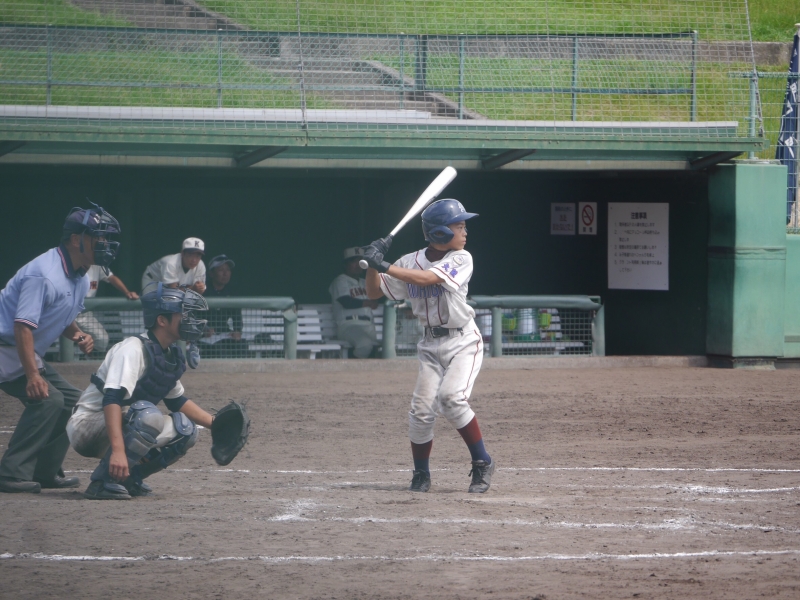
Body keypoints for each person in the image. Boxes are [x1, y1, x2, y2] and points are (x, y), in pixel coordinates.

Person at [363, 199, 494, 494]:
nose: (465, 232)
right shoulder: (409, 262)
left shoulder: (462, 258)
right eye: (459, 226)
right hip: (430, 344)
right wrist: (372, 264)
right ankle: (421, 474)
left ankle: (483, 462)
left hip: (463, 341)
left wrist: (384, 265)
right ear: (439, 232)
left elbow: (428, 278)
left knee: (451, 398)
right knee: (421, 411)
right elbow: (373, 291)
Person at [0, 203, 121, 494]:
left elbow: (62, 315)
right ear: (77, 239)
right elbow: (22, 326)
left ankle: (44, 471)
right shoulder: (44, 273)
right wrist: (33, 376)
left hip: (18, 348)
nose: (104, 243)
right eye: (98, 237)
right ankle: (10, 473)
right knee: (48, 399)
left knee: (74, 402)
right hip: (6, 346)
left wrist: (78, 334)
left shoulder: (80, 275)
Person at [66, 283, 215, 500]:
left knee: (186, 430)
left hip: (122, 423)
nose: (188, 319)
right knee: (148, 416)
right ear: (161, 320)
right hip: (88, 425)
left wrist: (216, 424)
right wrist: (118, 450)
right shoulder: (132, 349)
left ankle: (129, 479)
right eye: (182, 314)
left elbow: (177, 401)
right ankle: (102, 482)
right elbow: (112, 400)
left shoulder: (168, 353)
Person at [328, 247, 380, 359]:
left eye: (360, 262)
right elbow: (346, 302)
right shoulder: (340, 280)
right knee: (364, 345)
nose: (357, 265)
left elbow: (376, 299)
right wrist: (368, 303)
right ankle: (352, 367)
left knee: (386, 347)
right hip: (349, 324)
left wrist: (374, 301)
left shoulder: (365, 282)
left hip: (369, 325)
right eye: (353, 262)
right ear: (345, 265)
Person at [76, 264, 139, 355]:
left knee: (102, 339)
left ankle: (87, 359)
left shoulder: (98, 266)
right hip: (67, 311)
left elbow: (111, 277)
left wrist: (127, 292)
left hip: (85, 313)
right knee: (67, 338)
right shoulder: (73, 264)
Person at [199, 254, 247, 358]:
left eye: (228, 270)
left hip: (223, 332)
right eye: (221, 270)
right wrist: (204, 328)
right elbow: (193, 315)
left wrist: (237, 330)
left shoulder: (231, 292)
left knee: (242, 345)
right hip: (203, 335)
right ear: (211, 273)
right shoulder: (202, 290)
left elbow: (237, 316)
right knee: (218, 349)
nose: (225, 273)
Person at [141, 237, 206, 294]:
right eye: (190, 255)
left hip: (175, 286)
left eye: (198, 256)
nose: (194, 260)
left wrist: (199, 289)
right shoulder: (171, 263)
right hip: (153, 280)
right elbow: (174, 292)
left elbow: (198, 291)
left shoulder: (200, 265)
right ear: (182, 253)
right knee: (151, 302)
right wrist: (192, 289)